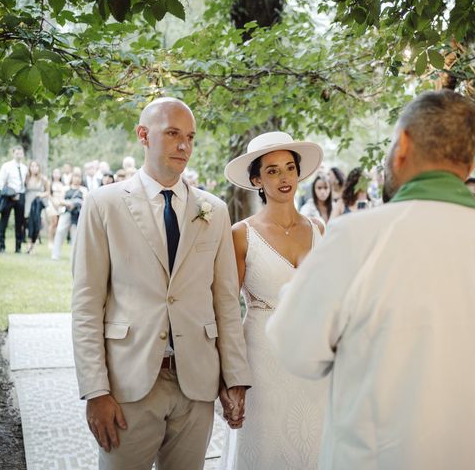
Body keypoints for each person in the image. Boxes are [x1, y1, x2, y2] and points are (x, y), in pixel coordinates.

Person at [267, 90, 475, 469]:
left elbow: (294, 348)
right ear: (469, 162)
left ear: (403, 145)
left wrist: (293, 291)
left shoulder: (358, 238)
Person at [71, 97, 252, 469]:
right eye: (172, 134)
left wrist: (234, 377)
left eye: (190, 136)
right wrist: (96, 390)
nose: (183, 145)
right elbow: (87, 305)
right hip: (128, 385)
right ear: (143, 135)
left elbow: (225, 303)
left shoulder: (214, 211)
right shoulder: (103, 204)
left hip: (197, 383)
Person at [221, 131, 327, 469]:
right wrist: (231, 376)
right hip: (262, 357)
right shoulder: (241, 234)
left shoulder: (320, 228)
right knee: (265, 446)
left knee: (313, 441)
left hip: (311, 360)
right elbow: (225, 308)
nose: (284, 178)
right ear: (256, 180)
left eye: (289, 168)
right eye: (272, 171)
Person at [0, 145, 28, 253]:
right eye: (17, 153)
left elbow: (25, 183)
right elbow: (0, 182)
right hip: (9, 196)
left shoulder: (24, 168)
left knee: (19, 222)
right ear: (13, 153)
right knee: (4, 220)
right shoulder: (7, 166)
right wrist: (10, 193)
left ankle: (18, 247)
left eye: (20, 153)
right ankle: (2, 246)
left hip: (20, 196)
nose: (19, 155)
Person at [51, 170, 87, 261]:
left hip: (77, 215)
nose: (77, 178)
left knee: (75, 235)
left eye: (79, 176)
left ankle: (74, 257)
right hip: (66, 212)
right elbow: (61, 200)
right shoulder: (65, 188)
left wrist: (77, 203)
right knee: (60, 231)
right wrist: (69, 203)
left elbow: (86, 202)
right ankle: (55, 254)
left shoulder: (83, 190)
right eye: (75, 176)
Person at [24, 160, 50, 253]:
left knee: (37, 224)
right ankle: (29, 243)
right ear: (29, 168)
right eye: (32, 166)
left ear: (39, 168)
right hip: (28, 203)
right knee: (29, 224)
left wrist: (41, 195)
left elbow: (48, 192)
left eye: (36, 166)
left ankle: (34, 244)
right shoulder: (26, 178)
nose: (34, 168)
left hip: (38, 203)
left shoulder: (43, 179)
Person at [45, 168, 65, 248]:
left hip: (60, 205)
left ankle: (57, 241)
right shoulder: (50, 183)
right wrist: (54, 203)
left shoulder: (62, 184)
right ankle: (50, 241)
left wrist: (60, 203)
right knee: (53, 223)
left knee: (59, 224)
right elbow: (48, 194)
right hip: (52, 204)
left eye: (58, 173)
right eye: (55, 173)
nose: (56, 175)